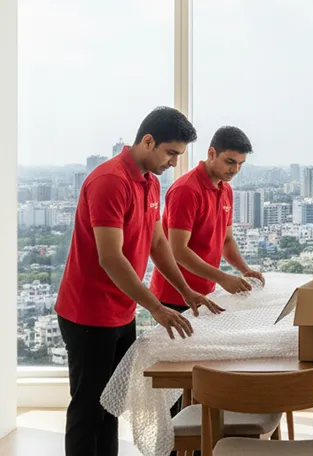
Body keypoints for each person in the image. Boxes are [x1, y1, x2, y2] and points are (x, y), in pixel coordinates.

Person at [55, 106, 224, 456]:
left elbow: (158, 244)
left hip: (121, 311)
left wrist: (186, 291)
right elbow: (110, 257)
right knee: (88, 409)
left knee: (111, 405)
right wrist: (158, 308)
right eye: (171, 153)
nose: (174, 163)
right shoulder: (109, 182)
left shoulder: (149, 183)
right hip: (88, 312)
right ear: (148, 141)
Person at [150, 125, 265, 311]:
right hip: (175, 295)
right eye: (230, 161)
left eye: (240, 164)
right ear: (212, 153)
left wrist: (245, 270)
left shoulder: (225, 189)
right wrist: (222, 278)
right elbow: (178, 250)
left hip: (206, 292)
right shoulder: (186, 190)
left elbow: (226, 240)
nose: (235, 169)